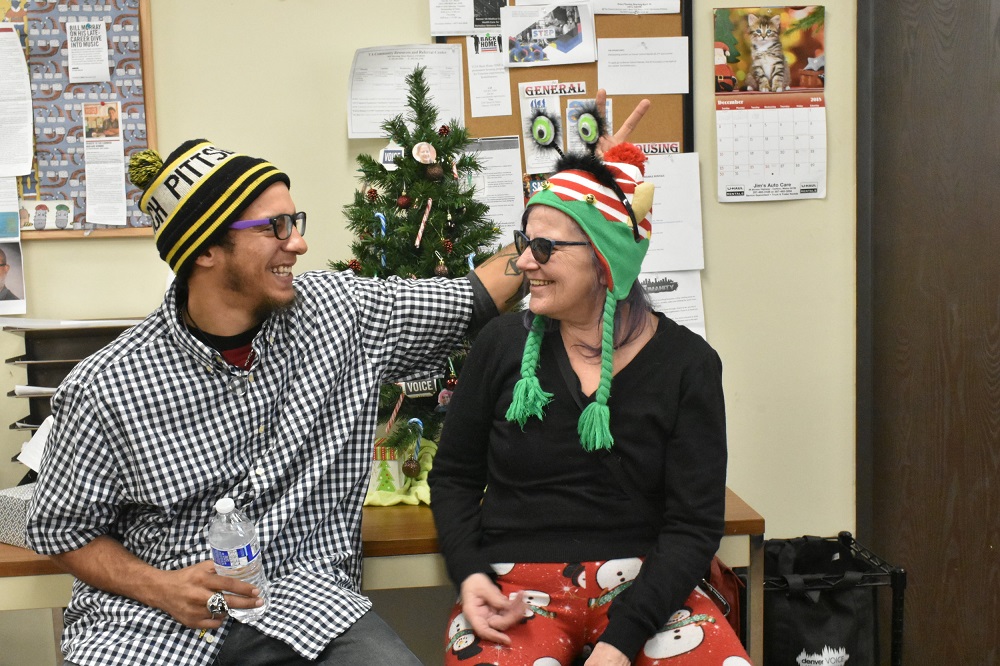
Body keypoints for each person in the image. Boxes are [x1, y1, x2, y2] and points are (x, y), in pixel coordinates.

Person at [25, 92, 650, 665]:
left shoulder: (340, 313)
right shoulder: (107, 385)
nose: (298, 243)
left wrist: (573, 202)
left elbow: (474, 297)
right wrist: (160, 587)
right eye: (274, 228)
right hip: (149, 626)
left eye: (297, 220)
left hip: (309, 609)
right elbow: (61, 526)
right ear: (205, 252)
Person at [429, 145, 752, 665]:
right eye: (523, 242)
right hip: (514, 582)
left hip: (650, 588)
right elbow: (453, 478)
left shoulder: (689, 364)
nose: (524, 261)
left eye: (544, 247)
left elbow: (693, 525)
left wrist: (622, 643)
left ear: (606, 262)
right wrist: (470, 573)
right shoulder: (501, 344)